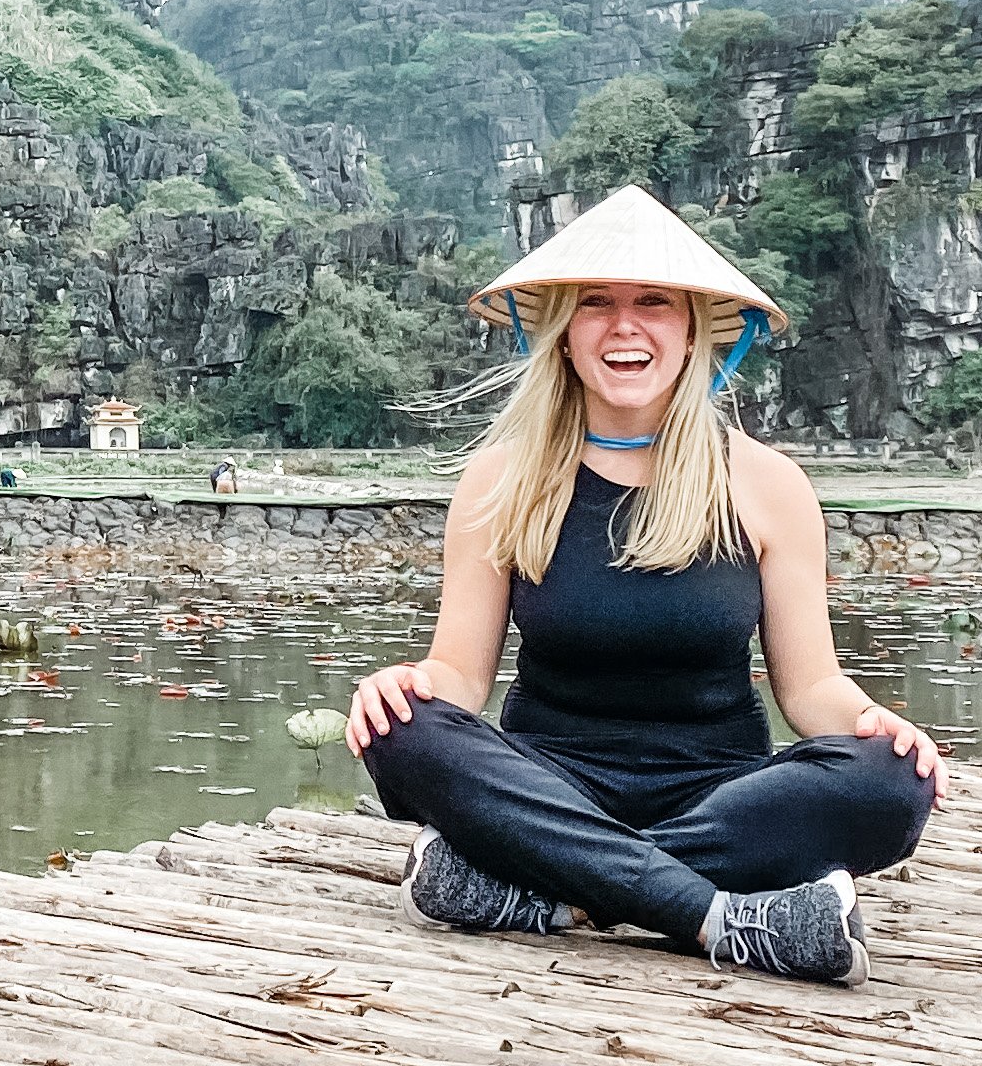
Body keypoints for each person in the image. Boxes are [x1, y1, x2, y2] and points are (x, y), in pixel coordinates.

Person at [343, 187, 942, 986]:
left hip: (719, 794)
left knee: (890, 784)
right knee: (406, 730)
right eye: (596, 304)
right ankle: (721, 918)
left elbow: (812, 688)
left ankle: (551, 891)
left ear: (693, 329)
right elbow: (461, 674)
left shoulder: (766, 485)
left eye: (653, 302)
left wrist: (874, 724)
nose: (625, 325)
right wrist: (407, 687)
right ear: (560, 333)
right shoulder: (501, 480)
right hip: (550, 782)